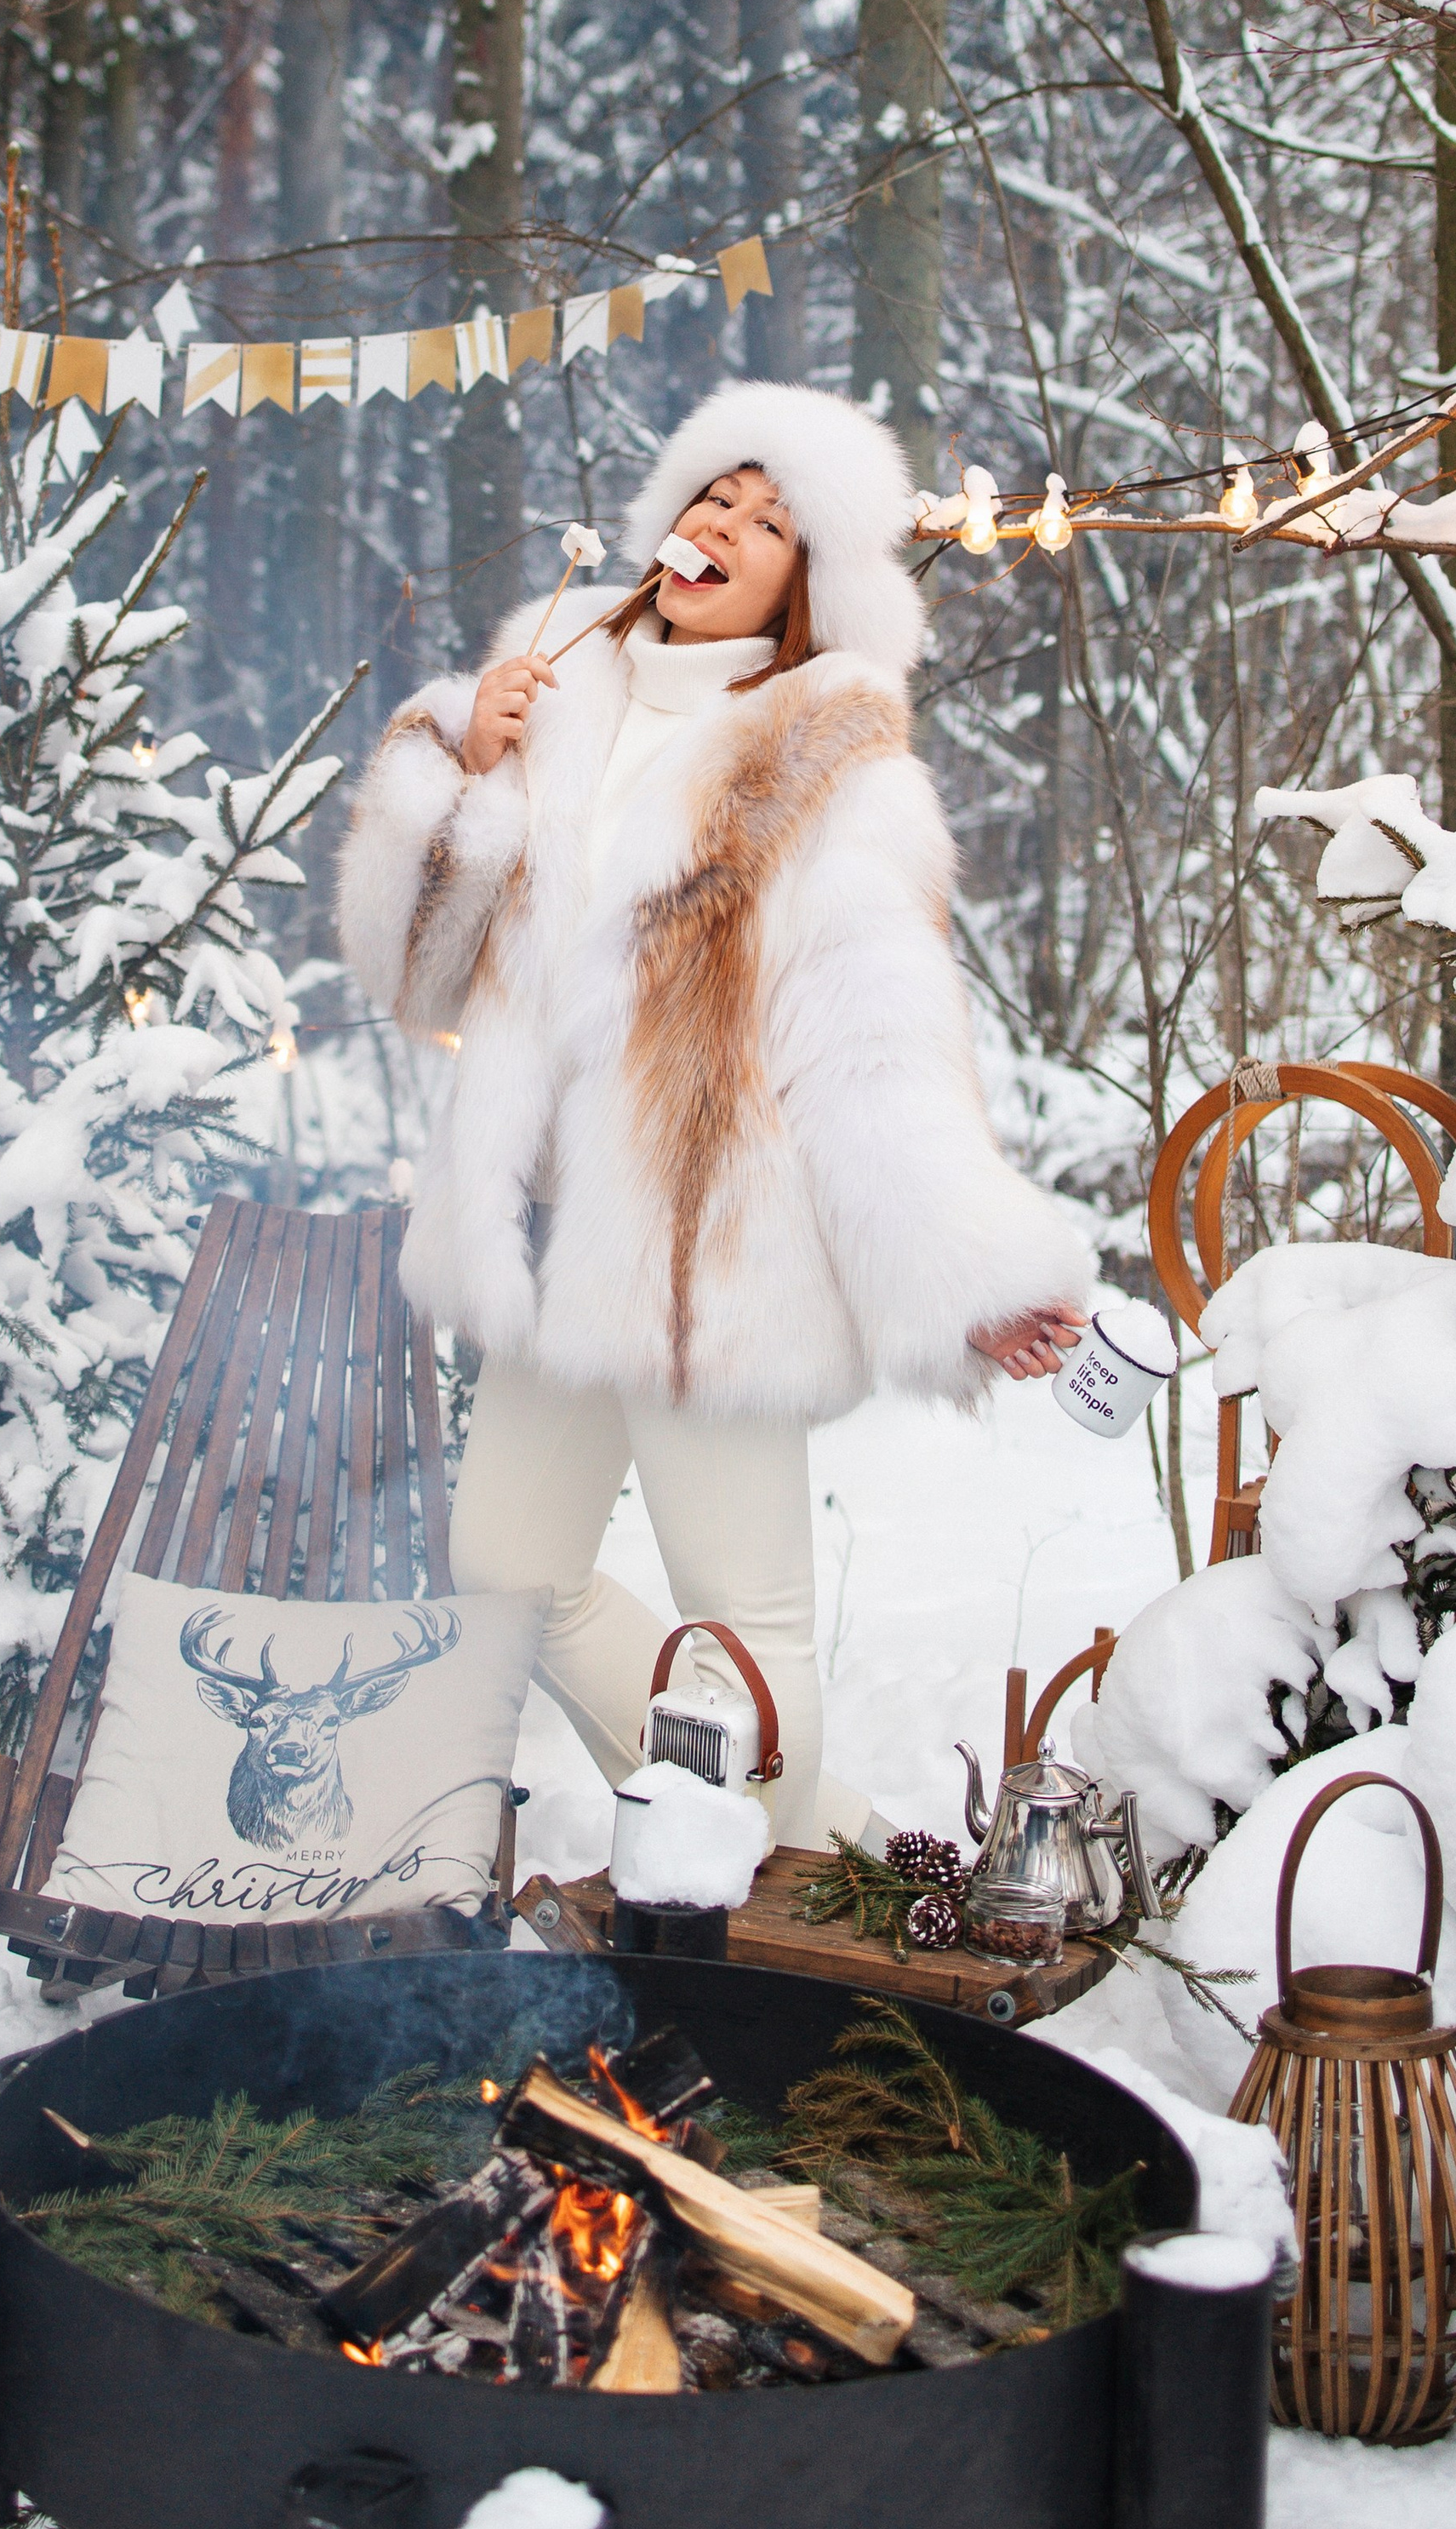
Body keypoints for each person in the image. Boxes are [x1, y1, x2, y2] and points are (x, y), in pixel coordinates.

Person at [339, 383, 1092, 1850]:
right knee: (507, 1570)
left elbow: (877, 1046)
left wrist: (970, 1278)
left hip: (708, 1258)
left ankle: (776, 1877)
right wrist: (458, 769)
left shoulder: (827, 755)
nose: (723, 530)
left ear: (812, 588)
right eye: (713, 499)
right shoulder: (551, 685)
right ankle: (796, 1835)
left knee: (744, 1625)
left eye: (769, 524)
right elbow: (411, 969)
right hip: (548, 1237)